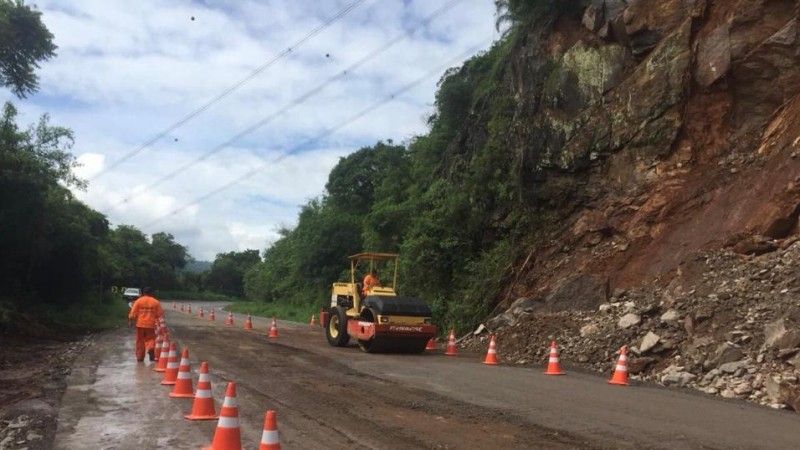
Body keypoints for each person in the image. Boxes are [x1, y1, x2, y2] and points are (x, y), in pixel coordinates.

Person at [128, 287, 164, 362]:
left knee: (140, 341)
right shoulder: (156, 302)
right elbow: (160, 314)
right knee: (150, 339)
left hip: (140, 324)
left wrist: (130, 321)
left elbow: (132, 314)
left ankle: (140, 357)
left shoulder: (138, 301)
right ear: (151, 293)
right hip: (150, 324)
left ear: (143, 293)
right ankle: (151, 348)